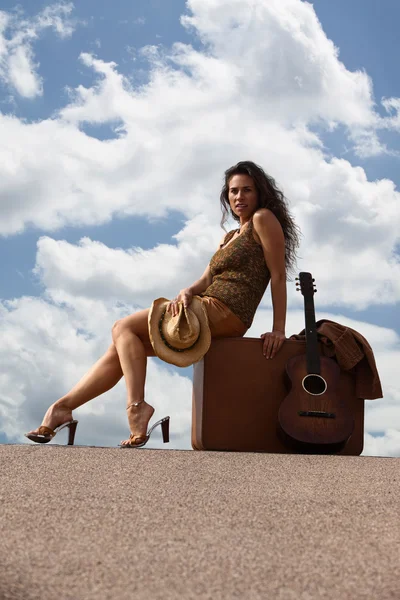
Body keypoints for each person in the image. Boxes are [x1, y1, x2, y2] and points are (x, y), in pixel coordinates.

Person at [25, 160, 302, 448]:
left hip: (227, 311)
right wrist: (186, 291)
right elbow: (206, 280)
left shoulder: (263, 219)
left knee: (123, 327)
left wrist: (278, 328)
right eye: (233, 191)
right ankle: (63, 407)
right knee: (122, 347)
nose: (239, 197)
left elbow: (278, 274)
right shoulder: (229, 237)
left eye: (247, 190)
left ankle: (136, 408)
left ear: (259, 194)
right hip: (205, 305)